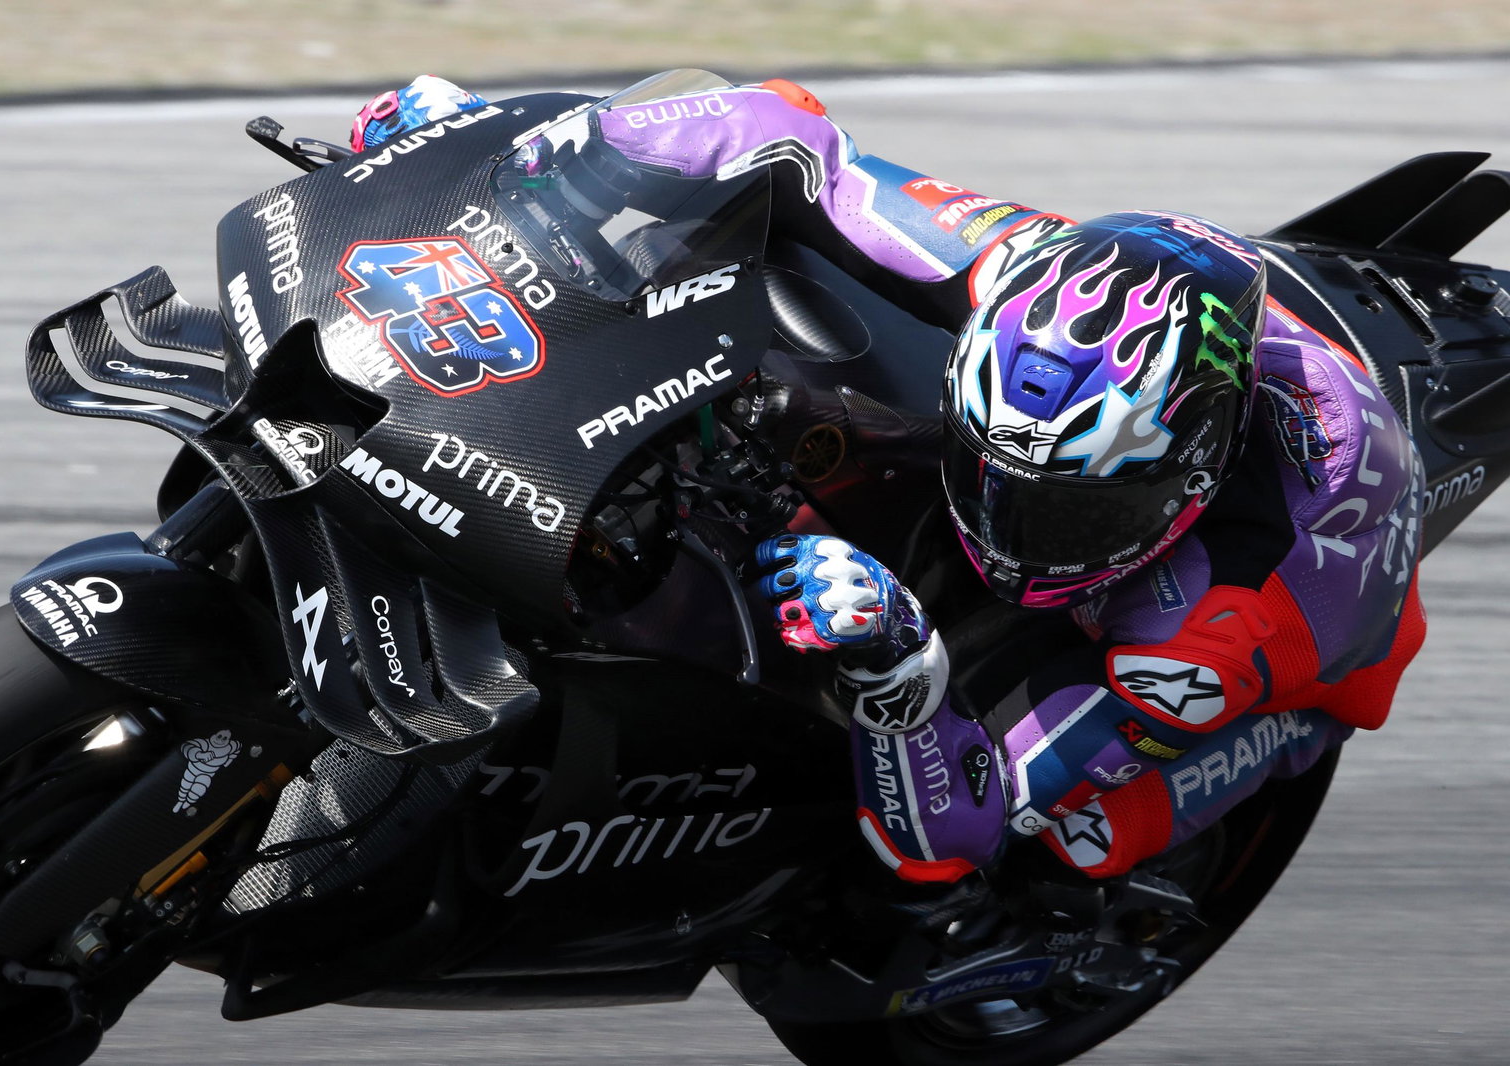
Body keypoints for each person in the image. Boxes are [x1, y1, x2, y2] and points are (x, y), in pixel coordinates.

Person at [350, 74, 1427, 883]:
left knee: (1081, 838)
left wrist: (906, 682)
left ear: (1186, 469)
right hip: (1176, 317)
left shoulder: (1230, 618)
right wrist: (515, 152)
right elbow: (782, 134)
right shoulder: (1006, 262)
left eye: (1072, 506)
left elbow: (962, 825)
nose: (1017, 527)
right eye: (999, 473)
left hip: (1301, 629)